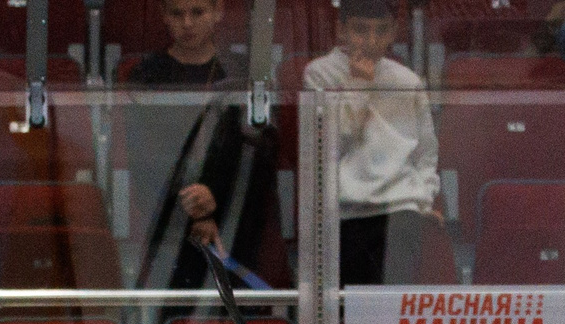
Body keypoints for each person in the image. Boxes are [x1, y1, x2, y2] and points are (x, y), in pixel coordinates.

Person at [118, 0, 285, 291]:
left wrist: (214, 195)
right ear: (164, 15)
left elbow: (259, 149)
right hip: (171, 221)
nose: (187, 23)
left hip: (234, 217)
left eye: (197, 12)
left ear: (218, 11)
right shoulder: (147, 75)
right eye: (177, 14)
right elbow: (144, 155)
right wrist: (193, 206)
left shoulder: (243, 71)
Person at [301, 0, 444, 286]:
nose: (371, 40)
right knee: (349, 305)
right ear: (341, 30)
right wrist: (359, 86)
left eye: (381, 31)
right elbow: (331, 143)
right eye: (361, 30)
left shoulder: (407, 80)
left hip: (400, 209)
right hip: (344, 212)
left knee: (391, 304)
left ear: (393, 32)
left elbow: (426, 152)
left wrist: (423, 200)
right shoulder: (319, 74)